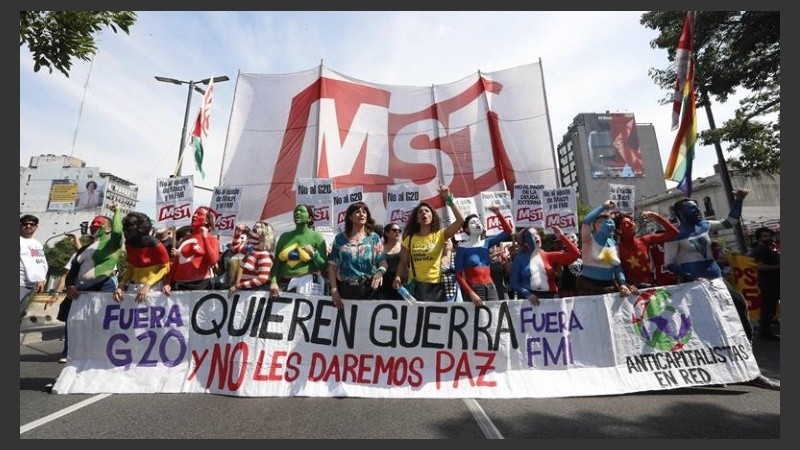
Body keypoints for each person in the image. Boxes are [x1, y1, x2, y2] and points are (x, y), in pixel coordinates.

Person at [664, 189, 779, 390]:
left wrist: (739, 200)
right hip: (693, 287)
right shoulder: (674, 235)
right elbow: (669, 263)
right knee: (705, 326)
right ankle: (713, 372)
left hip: (717, 281)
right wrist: (692, 278)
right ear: (680, 214)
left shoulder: (705, 225)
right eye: (692, 208)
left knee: (740, 314)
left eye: (697, 207)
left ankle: (748, 369)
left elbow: (730, 222)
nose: (697, 210)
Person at [46, 204, 123, 362]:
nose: (94, 225)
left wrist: (117, 212)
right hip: (80, 289)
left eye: (99, 223)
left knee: (100, 320)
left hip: (104, 285)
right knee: (73, 320)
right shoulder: (82, 250)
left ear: (107, 229)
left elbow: (117, 232)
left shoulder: (112, 245)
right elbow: (72, 271)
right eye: (93, 223)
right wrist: (70, 286)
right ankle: (68, 351)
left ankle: (99, 351)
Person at [391, 184, 465, 302]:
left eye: (427, 211)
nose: (423, 213)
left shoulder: (440, 235)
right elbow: (403, 262)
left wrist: (448, 199)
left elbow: (461, 221)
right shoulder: (409, 239)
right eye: (420, 212)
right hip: (417, 286)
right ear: (417, 219)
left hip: (437, 285)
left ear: (432, 216)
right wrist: (398, 276)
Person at [327, 202, 385, 308]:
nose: (362, 214)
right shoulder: (339, 239)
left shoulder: (374, 238)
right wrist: (334, 290)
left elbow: (383, 261)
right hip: (348, 289)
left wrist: (380, 271)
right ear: (350, 217)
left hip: (370, 288)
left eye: (364, 212)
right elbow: (332, 267)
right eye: (357, 212)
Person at [453, 205, 513, 306]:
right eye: (473, 222)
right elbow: (458, 276)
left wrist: (498, 214)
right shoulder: (462, 248)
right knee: (477, 319)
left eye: (478, 222)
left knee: (494, 315)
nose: (477, 224)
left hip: (491, 287)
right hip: (474, 288)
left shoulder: (487, 243)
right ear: (466, 229)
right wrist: (471, 293)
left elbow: (508, 231)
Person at [575, 200, 636, 297]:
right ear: (598, 226)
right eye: (609, 223)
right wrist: (604, 206)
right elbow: (586, 221)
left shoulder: (614, 244)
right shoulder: (588, 240)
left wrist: (622, 284)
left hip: (609, 286)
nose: (612, 225)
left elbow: (617, 266)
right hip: (589, 285)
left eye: (613, 223)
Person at [510, 225, 580, 304]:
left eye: (537, 234)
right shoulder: (519, 259)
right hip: (529, 300)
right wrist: (527, 294)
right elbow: (514, 282)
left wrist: (562, 236)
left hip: (551, 298)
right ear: (525, 242)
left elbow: (575, 254)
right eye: (532, 236)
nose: (536, 237)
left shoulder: (549, 256)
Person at [269, 204, 328, 298]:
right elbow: (277, 263)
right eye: (295, 211)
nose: (297, 213)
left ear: (309, 218)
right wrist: (273, 282)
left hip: (307, 285)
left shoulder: (317, 237)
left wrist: (313, 254)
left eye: (301, 211)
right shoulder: (284, 237)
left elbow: (324, 266)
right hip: (284, 284)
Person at [113, 211, 171, 303]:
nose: (126, 230)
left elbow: (166, 268)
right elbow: (131, 267)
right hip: (134, 286)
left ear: (139, 227)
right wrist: (121, 284)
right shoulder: (129, 244)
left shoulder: (156, 244)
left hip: (152, 288)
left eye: (129, 226)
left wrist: (148, 284)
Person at [614, 211, 680, 289]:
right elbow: (615, 271)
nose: (632, 225)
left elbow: (674, 233)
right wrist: (624, 285)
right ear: (619, 230)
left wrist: (656, 216)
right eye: (627, 223)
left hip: (650, 286)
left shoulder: (645, 240)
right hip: (631, 290)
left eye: (632, 221)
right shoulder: (615, 249)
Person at [163, 207, 220, 294]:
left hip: (200, 285)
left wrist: (205, 238)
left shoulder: (212, 239)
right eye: (194, 213)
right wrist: (168, 282)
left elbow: (213, 261)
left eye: (199, 214)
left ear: (206, 221)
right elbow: (176, 262)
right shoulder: (186, 238)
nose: (194, 216)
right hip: (179, 285)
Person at [229, 221, 276, 295]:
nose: (250, 234)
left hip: (253, 293)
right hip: (244, 292)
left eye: (254, 231)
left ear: (262, 236)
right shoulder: (251, 251)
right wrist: (238, 231)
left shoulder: (264, 255)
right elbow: (235, 248)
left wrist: (239, 286)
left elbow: (262, 279)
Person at [749, 227, 780, 341]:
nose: (767, 238)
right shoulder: (760, 250)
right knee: (768, 308)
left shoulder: (769, 248)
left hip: (775, 282)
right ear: (759, 238)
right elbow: (759, 266)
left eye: (768, 236)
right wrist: (778, 267)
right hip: (768, 283)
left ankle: (766, 330)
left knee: (770, 307)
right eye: (764, 236)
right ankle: (765, 332)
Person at [20, 214, 48, 319]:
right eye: (25, 224)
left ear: (36, 227)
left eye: (32, 224)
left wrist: (41, 279)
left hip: (30, 286)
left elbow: (39, 263)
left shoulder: (37, 244)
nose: (28, 226)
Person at [377, 223, 405, 300]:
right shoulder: (380, 247)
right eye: (394, 230)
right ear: (386, 233)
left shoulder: (404, 247)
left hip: (401, 285)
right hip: (383, 286)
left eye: (399, 231)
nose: (397, 232)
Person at [556, 232, 583, 297]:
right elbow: (559, 273)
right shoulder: (563, 254)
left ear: (577, 238)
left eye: (573, 237)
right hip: (567, 290)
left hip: (582, 288)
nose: (571, 239)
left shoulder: (583, 253)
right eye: (568, 238)